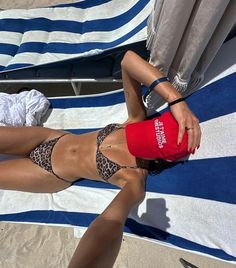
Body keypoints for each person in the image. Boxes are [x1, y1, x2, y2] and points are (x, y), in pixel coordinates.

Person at [0, 51, 201, 268]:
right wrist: (175, 99)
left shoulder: (133, 180)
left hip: (49, 171)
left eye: (145, 143)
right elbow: (127, 61)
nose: (136, 137)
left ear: (160, 158)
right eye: (148, 131)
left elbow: (109, 224)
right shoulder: (136, 121)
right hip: (50, 137)